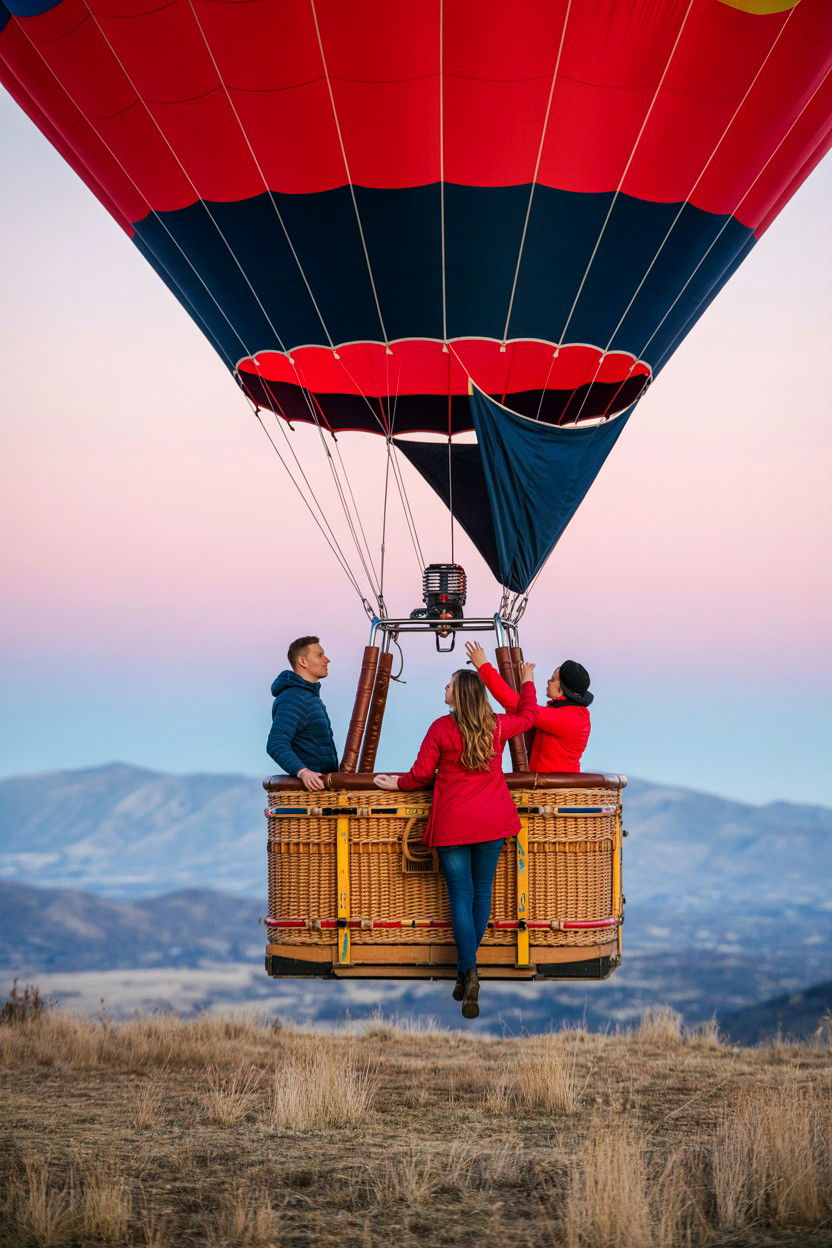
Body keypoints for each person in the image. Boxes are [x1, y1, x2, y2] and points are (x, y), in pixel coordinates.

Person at [374, 663, 537, 1020]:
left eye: (448, 686)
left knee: (460, 897)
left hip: (453, 824)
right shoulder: (497, 726)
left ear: (459, 695)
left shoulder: (441, 728)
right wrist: (526, 680)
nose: (443, 691)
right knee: (482, 893)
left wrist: (395, 784)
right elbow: (527, 715)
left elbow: (419, 776)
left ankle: (469, 970)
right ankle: (468, 970)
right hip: (493, 822)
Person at [465, 642, 593, 773]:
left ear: (562, 691)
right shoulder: (569, 712)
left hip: (552, 788)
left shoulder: (568, 718)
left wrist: (483, 666)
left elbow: (515, 703)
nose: (548, 681)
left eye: (553, 679)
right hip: (546, 783)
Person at [267, 636, 338, 791]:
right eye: (320, 655)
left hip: (324, 790)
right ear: (303, 662)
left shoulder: (310, 697)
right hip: (311, 793)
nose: (327, 660)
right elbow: (276, 744)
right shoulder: (294, 699)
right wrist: (303, 772)